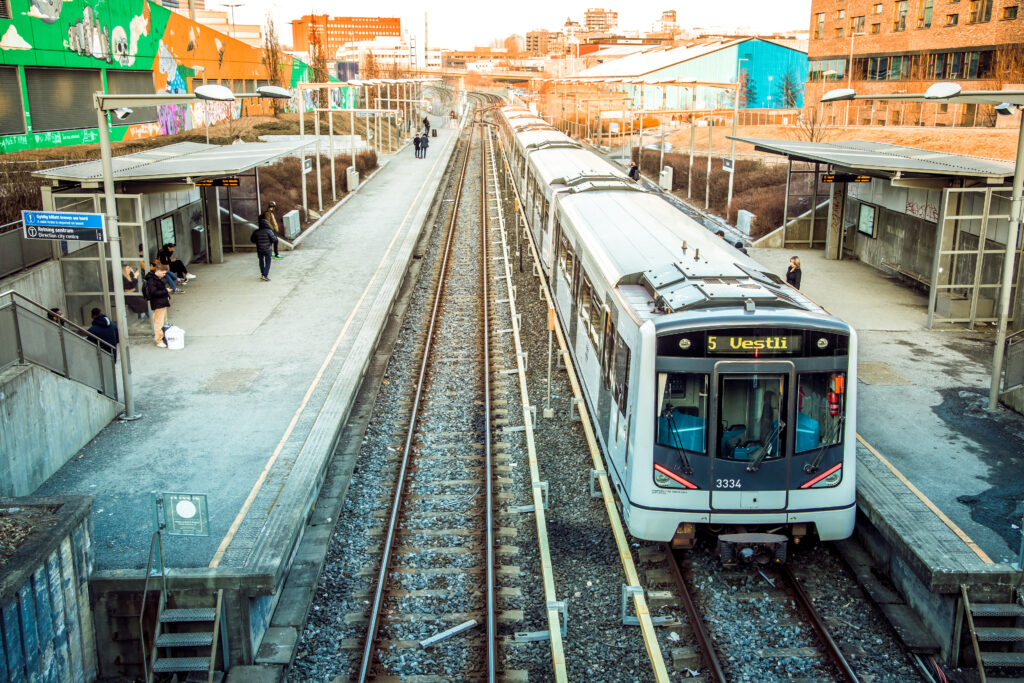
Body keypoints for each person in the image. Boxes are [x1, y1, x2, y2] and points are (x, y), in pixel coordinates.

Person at [143, 264, 172, 347]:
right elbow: (154, 293)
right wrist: (166, 291)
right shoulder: (152, 280)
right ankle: (159, 340)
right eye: (163, 273)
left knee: (162, 321)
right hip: (158, 303)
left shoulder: (153, 278)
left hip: (161, 302)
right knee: (159, 322)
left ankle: (161, 338)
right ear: (158, 271)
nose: (164, 275)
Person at [251, 210, 279, 281]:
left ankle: (262, 273)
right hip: (267, 249)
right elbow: (274, 239)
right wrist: (270, 242)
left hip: (259, 249)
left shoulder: (256, 232)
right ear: (267, 224)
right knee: (268, 262)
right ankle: (265, 275)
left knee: (261, 261)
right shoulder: (269, 231)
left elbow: (252, 240)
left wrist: (258, 242)